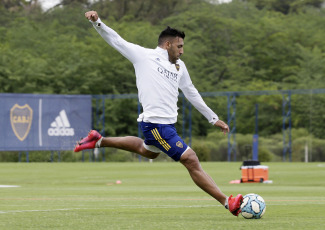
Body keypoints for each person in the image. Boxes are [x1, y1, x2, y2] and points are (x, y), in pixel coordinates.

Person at [75, 10, 243, 216]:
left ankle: (99, 140)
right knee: (191, 159)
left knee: (148, 151)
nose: (182, 51)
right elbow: (116, 40)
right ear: (168, 45)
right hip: (156, 125)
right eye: (179, 46)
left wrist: (213, 118)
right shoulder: (144, 56)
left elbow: (192, 92)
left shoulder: (180, 67)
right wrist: (97, 22)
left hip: (166, 125)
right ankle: (227, 202)